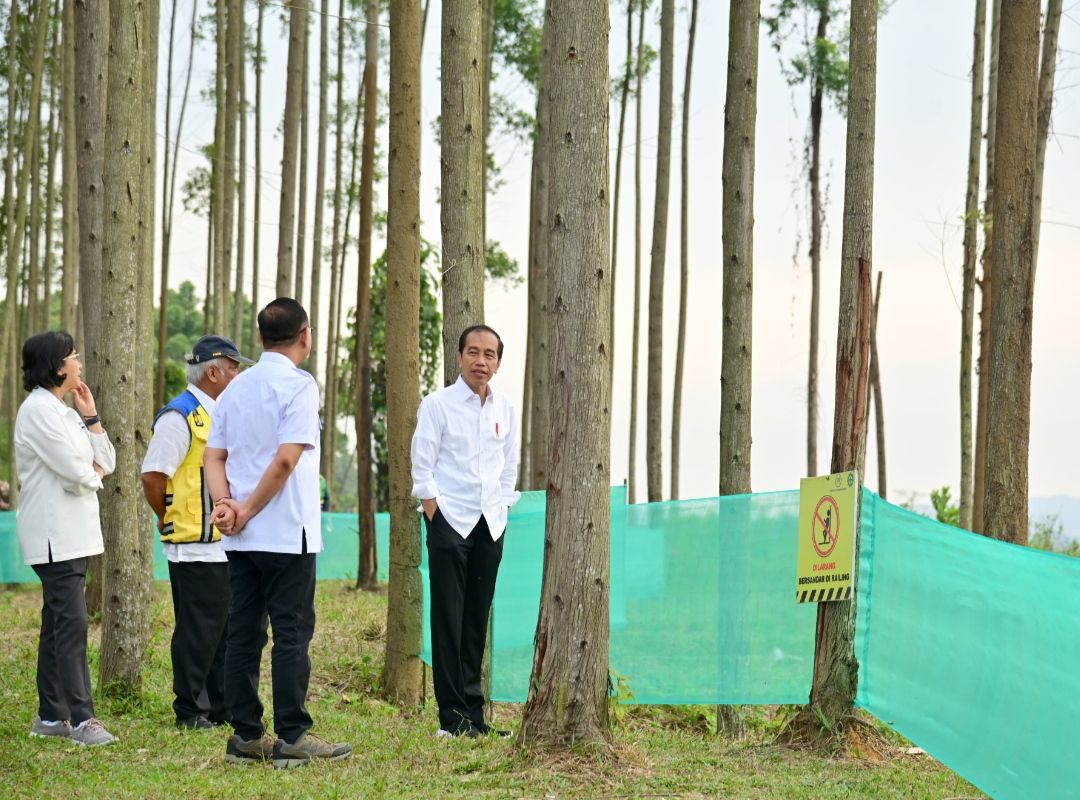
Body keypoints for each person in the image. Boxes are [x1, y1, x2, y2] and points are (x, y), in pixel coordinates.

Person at [205, 298, 352, 768]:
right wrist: (243, 507)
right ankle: (292, 735)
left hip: (243, 539)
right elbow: (287, 460)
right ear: (305, 335)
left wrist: (226, 504)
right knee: (291, 633)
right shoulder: (299, 386)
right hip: (287, 533)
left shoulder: (235, 387)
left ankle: (246, 736)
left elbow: (214, 456)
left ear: (261, 337)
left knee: (245, 633)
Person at [410, 324, 521, 737]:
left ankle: (475, 716)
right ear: (459, 357)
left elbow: (509, 464)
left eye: (489, 354)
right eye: (473, 352)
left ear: (497, 362)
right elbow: (422, 462)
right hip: (449, 522)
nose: (481, 361)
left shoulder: (505, 410)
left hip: (490, 524)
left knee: (476, 619)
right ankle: (451, 719)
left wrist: (504, 506)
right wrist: (433, 511)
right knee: (448, 620)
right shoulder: (437, 405)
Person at [140, 335, 252, 730]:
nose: (238, 374)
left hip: (223, 542)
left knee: (222, 629)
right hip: (192, 544)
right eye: (234, 367)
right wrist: (166, 514)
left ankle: (217, 706)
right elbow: (154, 475)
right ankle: (190, 709)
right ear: (213, 372)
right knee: (198, 631)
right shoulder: (179, 416)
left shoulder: (218, 414)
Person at [14, 331, 117, 746]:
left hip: (76, 536)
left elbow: (104, 460)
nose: (78, 363)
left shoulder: (65, 410)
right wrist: (90, 472)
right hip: (55, 536)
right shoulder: (37, 410)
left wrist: (91, 418)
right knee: (71, 625)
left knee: (57, 625)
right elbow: (78, 474)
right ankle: (83, 718)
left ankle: (51, 716)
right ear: (58, 366)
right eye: (73, 357)